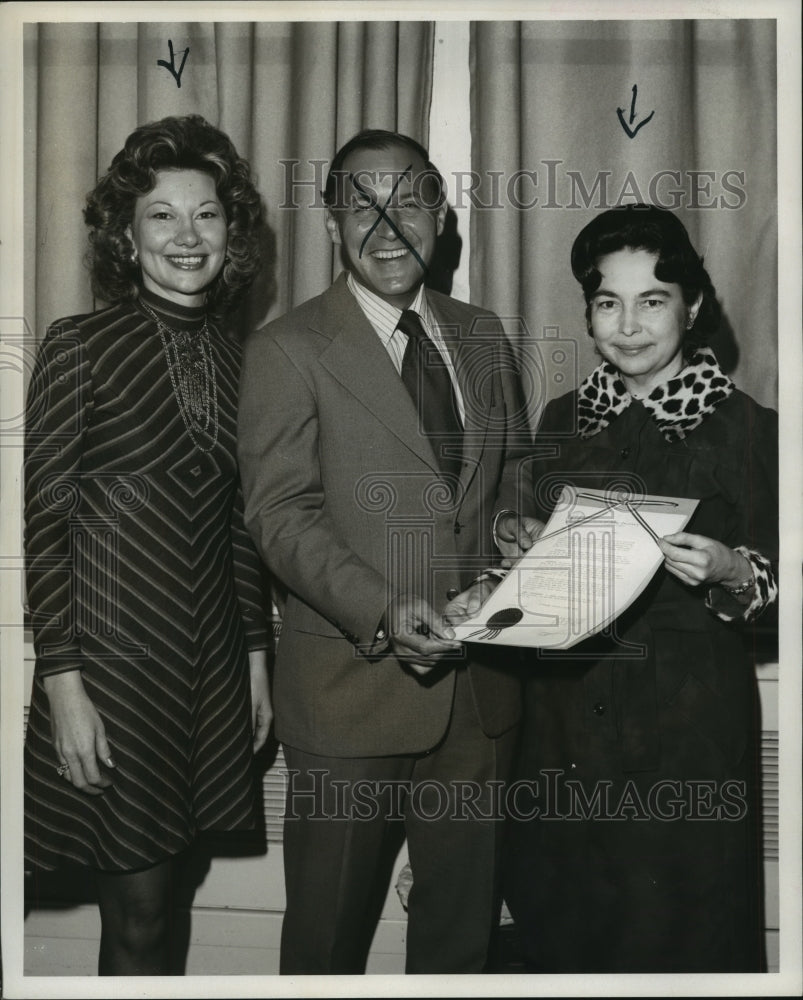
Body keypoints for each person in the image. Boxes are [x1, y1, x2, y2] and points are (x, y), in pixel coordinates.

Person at [449, 203, 778, 973]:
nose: (627, 325)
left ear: (691, 308)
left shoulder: (749, 429)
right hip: (561, 735)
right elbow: (527, 553)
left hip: (686, 743)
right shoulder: (561, 421)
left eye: (651, 301)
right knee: (563, 942)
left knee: (679, 946)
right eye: (607, 302)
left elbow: (781, 578)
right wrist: (510, 560)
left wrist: (734, 570)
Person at [237, 128, 535, 974]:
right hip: (346, 695)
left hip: (480, 701)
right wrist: (378, 605)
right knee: (325, 945)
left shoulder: (480, 336)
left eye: (406, 201)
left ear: (439, 216)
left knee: (458, 942)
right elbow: (279, 513)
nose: (386, 225)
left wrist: (517, 525)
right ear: (332, 221)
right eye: (359, 206)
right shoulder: (287, 350)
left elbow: (510, 472)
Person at [23, 114, 272, 976]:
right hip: (112, 673)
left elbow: (241, 527)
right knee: (134, 914)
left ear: (231, 231)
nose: (186, 236)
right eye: (160, 216)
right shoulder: (78, 348)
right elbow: (45, 525)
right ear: (126, 238)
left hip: (206, 670)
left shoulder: (247, 364)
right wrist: (64, 687)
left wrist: (254, 657)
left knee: (166, 905)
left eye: (206, 214)